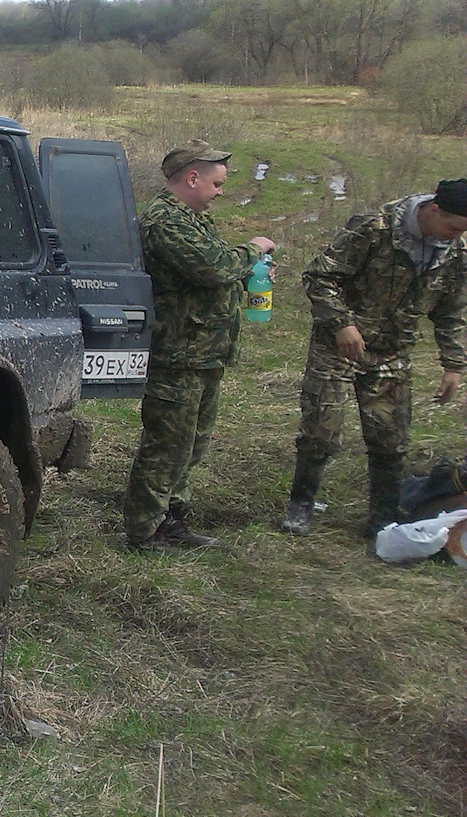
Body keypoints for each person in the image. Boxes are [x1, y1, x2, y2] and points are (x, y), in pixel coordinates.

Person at [279, 179, 467, 536]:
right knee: (321, 429)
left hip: (392, 350)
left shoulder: (456, 250)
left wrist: (454, 364)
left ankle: (383, 518)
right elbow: (320, 277)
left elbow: (451, 310)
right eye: (452, 227)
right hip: (338, 346)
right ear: (432, 210)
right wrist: (341, 324)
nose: (455, 237)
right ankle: (300, 504)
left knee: (390, 439)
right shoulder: (374, 228)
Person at [122, 143, 275, 551]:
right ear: (192, 178)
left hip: (203, 353)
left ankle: (173, 520)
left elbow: (215, 268)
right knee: (166, 446)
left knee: (190, 447)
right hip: (178, 354)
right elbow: (216, 266)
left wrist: (246, 275)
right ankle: (145, 530)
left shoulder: (192, 218)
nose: (220, 192)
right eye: (217, 183)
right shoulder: (165, 221)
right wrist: (255, 249)